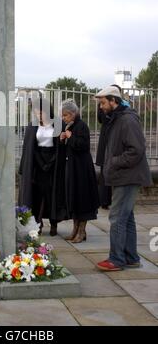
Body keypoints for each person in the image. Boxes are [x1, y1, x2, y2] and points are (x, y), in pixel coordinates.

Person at [95, 85, 152, 271]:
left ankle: (117, 259)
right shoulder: (117, 118)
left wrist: (113, 162)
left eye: (103, 103)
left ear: (114, 101)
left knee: (117, 217)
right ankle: (131, 257)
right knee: (126, 218)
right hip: (124, 175)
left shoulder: (127, 120)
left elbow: (136, 150)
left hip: (127, 176)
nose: (101, 107)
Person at [18, 97, 67, 236]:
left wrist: (51, 162)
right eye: (36, 112)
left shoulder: (58, 124)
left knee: (52, 194)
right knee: (37, 195)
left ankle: (54, 223)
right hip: (37, 164)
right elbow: (29, 148)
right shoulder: (32, 126)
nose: (39, 115)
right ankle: (38, 223)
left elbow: (61, 147)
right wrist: (39, 163)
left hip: (54, 163)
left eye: (41, 112)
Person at [60, 100, 100, 243]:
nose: (63, 118)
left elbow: (83, 146)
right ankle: (75, 230)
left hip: (82, 169)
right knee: (74, 198)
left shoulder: (81, 126)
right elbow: (69, 146)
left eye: (65, 115)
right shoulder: (69, 126)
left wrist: (70, 137)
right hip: (73, 168)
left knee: (82, 199)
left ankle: (81, 232)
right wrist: (63, 138)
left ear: (73, 114)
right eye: (63, 116)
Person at [96, 84, 130, 209]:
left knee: (106, 171)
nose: (101, 106)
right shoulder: (124, 105)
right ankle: (106, 200)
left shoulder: (124, 111)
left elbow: (100, 119)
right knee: (105, 171)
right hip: (108, 138)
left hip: (110, 138)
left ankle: (105, 201)